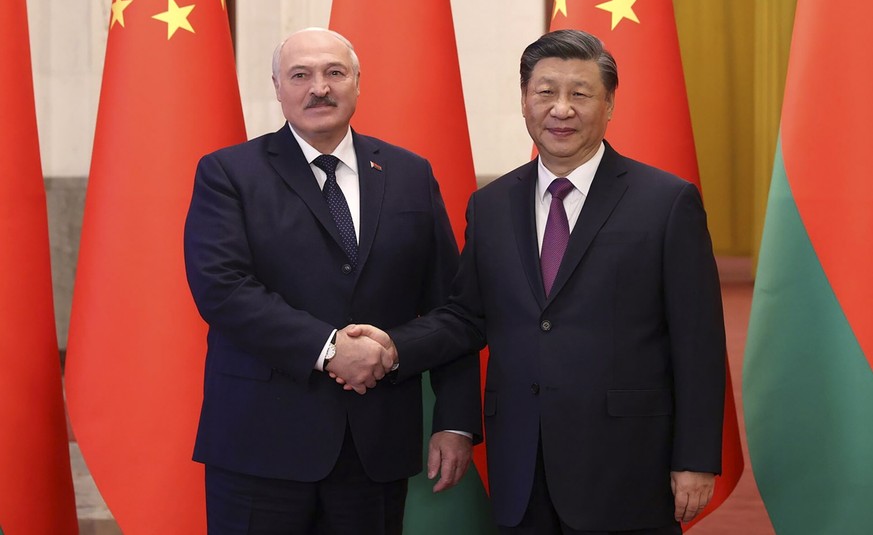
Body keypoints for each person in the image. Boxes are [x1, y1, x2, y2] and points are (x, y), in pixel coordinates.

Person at [349, 29, 726, 534]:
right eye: (546, 92)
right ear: (525, 101)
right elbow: (466, 316)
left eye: (581, 93)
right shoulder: (492, 205)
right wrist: (394, 346)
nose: (561, 109)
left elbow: (698, 341)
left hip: (626, 464)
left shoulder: (666, 202)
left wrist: (696, 457)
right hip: (522, 462)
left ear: (610, 104)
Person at [183, 27, 481, 535]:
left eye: (334, 72)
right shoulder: (228, 173)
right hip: (261, 445)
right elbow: (222, 287)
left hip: (375, 448)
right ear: (277, 87)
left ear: (358, 83)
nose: (318, 87)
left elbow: (453, 309)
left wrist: (453, 421)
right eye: (300, 75)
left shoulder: (410, 173)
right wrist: (328, 348)